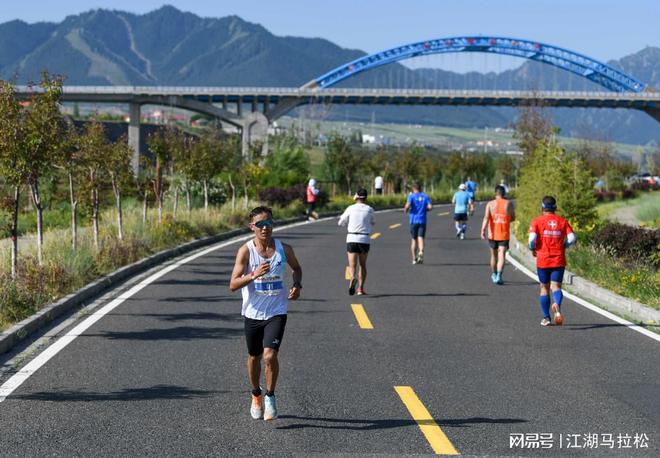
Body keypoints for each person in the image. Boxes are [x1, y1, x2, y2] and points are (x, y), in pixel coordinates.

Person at [229, 206, 303, 420]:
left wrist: (297, 285)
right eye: (260, 224)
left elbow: (297, 269)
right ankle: (256, 394)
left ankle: (270, 395)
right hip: (252, 313)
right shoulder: (246, 251)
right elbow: (233, 284)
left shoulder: (284, 249)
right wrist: (253, 274)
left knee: (269, 356)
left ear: (273, 224)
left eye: (268, 223)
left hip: (277, 312)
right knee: (254, 357)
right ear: (252, 227)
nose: (264, 228)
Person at [528, 196, 576, 327]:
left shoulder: (537, 221)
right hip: (558, 259)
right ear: (555, 208)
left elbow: (532, 240)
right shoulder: (562, 221)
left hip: (543, 260)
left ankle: (546, 318)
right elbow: (572, 238)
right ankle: (557, 305)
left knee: (544, 288)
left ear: (542, 207)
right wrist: (564, 245)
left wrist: (532, 249)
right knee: (556, 287)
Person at [338, 188, 375, 295]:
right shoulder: (370, 209)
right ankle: (360, 289)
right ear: (366, 197)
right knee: (363, 265)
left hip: (352, 238)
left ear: (357, 196)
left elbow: (341, 222)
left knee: (352, 265)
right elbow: (373, 222)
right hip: (364, 239)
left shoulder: (350, 208)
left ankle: (352, 278)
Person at [480, 185, 515, 285]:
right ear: (504, 193)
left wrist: (483, 229)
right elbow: (512, 217)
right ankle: (499, 275)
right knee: (501, 255)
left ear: (495, 193)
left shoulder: (490, 204)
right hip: (504, 234)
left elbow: (486, 218)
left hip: (492, 234)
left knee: (493, 256)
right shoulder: (509, 203)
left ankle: (494, 274)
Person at [404, 182, 433, 264]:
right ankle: (421, 251)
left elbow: (407, 205)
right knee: (421, 238)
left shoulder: (411, 196)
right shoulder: (425, 196)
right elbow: (430, 207)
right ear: (420, 188)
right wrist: (425, 209)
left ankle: (414, 259)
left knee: (414, 240)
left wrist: (406, 210)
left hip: (413, 220)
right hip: (422, 220)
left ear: (413, 188)